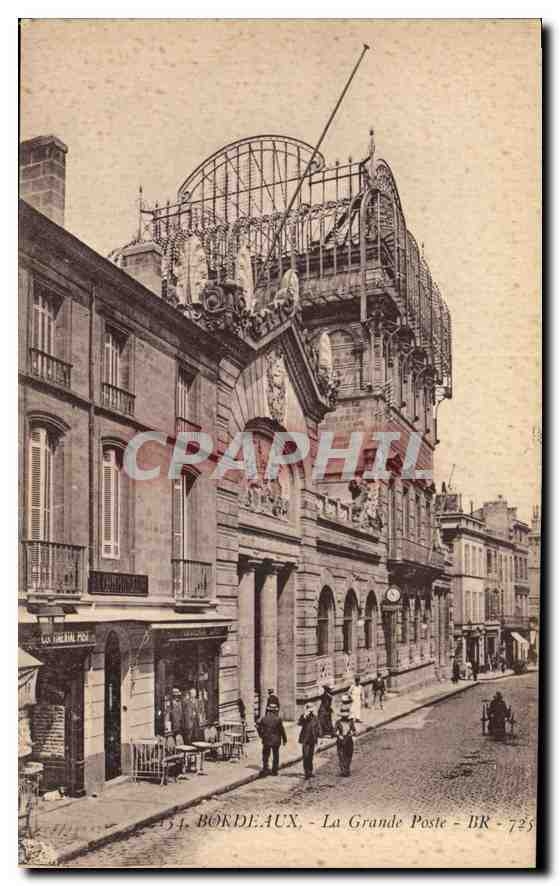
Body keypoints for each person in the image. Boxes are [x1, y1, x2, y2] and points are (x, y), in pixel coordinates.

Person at [256, 701, 287, 776]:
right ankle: (274, 771)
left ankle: (265, 769)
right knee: (275, 755)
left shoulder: (264, 719)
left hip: (266, 740)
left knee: (265, 755)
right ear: (275, 711)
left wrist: (261, 735)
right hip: (276, 740)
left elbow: (258, 728)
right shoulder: (278, 719)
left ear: (268, 710)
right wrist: (284, 739)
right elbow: (282, 730)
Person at [334, 695, 357, 777]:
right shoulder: (338, 723)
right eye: (343, 716)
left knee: (348, 755)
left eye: (346, 715)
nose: (345, 717)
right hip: (340, 741)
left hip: (349, 740)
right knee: (341, 756)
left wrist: (352, 734)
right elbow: (334, 731)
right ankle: (343, 770)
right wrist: (338, 735)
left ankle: (347, 769)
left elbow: (354, 731)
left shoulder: (351, 722)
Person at [298, 703, 320, 779]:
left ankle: (310, 771)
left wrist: (319, 738)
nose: (310, 711)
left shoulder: (315, 717)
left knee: (310, 756)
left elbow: (318, 727)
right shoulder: (304, 717)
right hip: (305, 739)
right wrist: (305, 716)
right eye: (309, 709)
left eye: (311, 709)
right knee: (305, 756)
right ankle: (306, 772)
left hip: (312, 739)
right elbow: (299, 723)